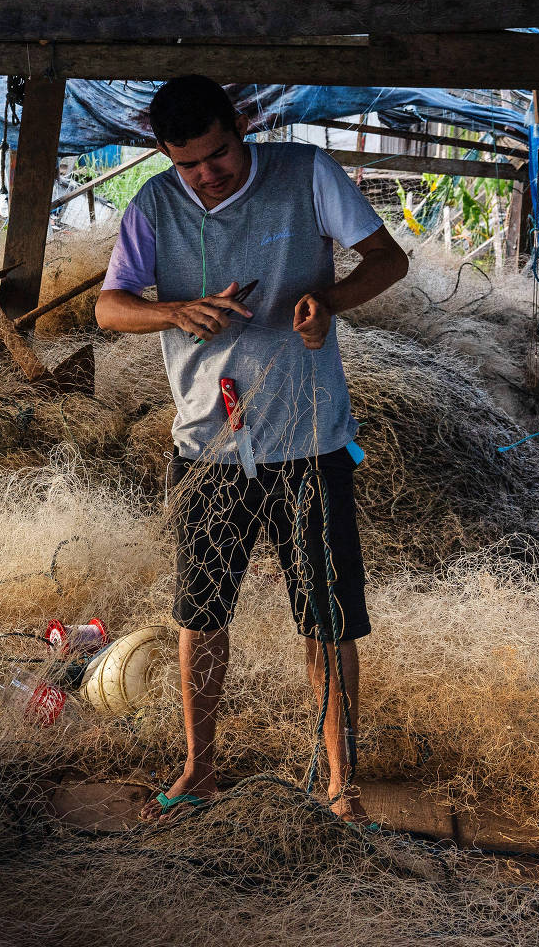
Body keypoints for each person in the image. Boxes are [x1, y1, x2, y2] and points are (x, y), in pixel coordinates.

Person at [93, 76, 409, 820]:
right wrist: (173, 310)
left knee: (327, 621)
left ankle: (341, 784)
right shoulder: (154, 207)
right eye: (187, 163)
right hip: (207, 445)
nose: (207, 174)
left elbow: (388, 261)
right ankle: (201, 769)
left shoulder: (306, 174)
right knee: (200, 615)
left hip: (309, 439)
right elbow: (109, 307)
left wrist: (327, 303)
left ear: (241, 127)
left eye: (218, 154)